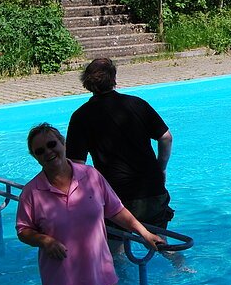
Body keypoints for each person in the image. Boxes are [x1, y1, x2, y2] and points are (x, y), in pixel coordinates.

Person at [16, 123, 163, 285]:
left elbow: (116, 210)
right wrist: (44, 240)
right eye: (40, 151)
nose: (48, 152)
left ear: (63, 143)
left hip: (98, 269)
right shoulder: (32, 192)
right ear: (35, 157)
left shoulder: (91, 176)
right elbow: (23, 230)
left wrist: (145, 233)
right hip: (60, 274)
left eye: (51, 144)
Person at [66, 58, 174, 235]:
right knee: (161, 242)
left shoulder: (81, 116)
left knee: (116, 251)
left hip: (115, 196)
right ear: (114, 79)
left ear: (86, 82)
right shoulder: (137, 104)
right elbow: (166, 138)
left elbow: (77, 166)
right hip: (152, 189)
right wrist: (160, 168)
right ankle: (182, 264)